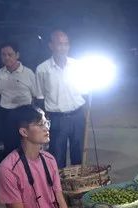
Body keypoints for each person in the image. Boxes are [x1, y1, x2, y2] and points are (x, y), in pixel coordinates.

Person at [35, 30, 86, 168]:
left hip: (78, 116)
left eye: (66, 44)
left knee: (79, 155)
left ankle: (79, 187)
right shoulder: (42, 69)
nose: (63, 48)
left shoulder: (77, 66)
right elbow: (40, 98)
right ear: (51, 46)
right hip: (57, 119)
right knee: (57, 156)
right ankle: (59, 188)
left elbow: (85, 91)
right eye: (59, 44)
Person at [0, 41, 39, 155]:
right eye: (3, 55)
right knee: (10, 147)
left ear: (17, 55)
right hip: (7, 114)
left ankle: (29, 170)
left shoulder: (28, 73)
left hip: (25, 114)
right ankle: (13, 171)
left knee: (27, 146)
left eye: (10, 54)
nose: (6, 57)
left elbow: (36, 95)